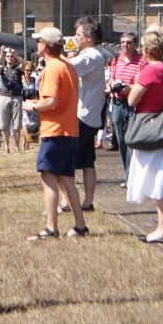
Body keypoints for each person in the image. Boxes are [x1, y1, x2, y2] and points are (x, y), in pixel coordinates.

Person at [22, 27, 87, 240]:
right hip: (70, 130)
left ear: (45, 46)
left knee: (48, 176)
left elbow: (51, 101)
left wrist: (33, 105)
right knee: (67, 179)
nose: (37, 44)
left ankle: (51, 227)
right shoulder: (68, 65)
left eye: (39, 41)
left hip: (55, 130)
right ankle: (80, 225)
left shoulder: (52, 68)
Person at [126, 24, 163, 243]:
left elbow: (133, 100)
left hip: (151, 126)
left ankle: (162, 230)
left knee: (159, 179)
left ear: (147, 50)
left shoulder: (150, 70)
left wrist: (132, 87)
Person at [62, 16, 106, 213]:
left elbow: (68, 67)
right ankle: (87, 202)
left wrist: (55, 53)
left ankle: (66, 201)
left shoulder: (91, 56)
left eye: (79, 35)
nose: (76, 38)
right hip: (90, 116)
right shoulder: (95, 55)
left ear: (88, 37)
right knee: (88, 161)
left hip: (82, 116)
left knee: (68, 160)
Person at [109, 32, 148, 183]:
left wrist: (130, 88)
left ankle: (130, 177)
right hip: (118, 103)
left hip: (133, 104)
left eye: (129, 42)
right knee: (121, 139)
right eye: (123, 42)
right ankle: (128, 171)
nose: (125, 45)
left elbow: (143, 84)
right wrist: (112, 85)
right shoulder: (116, 59)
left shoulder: (141, 61)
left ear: (135, 45)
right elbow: (111, 78)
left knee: (132, 139)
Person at [0, 47, 25, 154]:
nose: (10, 58)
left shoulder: (18, 68)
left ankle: (17, 146)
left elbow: (25, 64)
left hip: (16, 97)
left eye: (11, 56)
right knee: (4, 124)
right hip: (4, 96)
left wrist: (16, 55)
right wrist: (1, 54)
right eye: (8, 56)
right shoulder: (3, 69)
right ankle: (6, 147)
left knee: (17, 124)